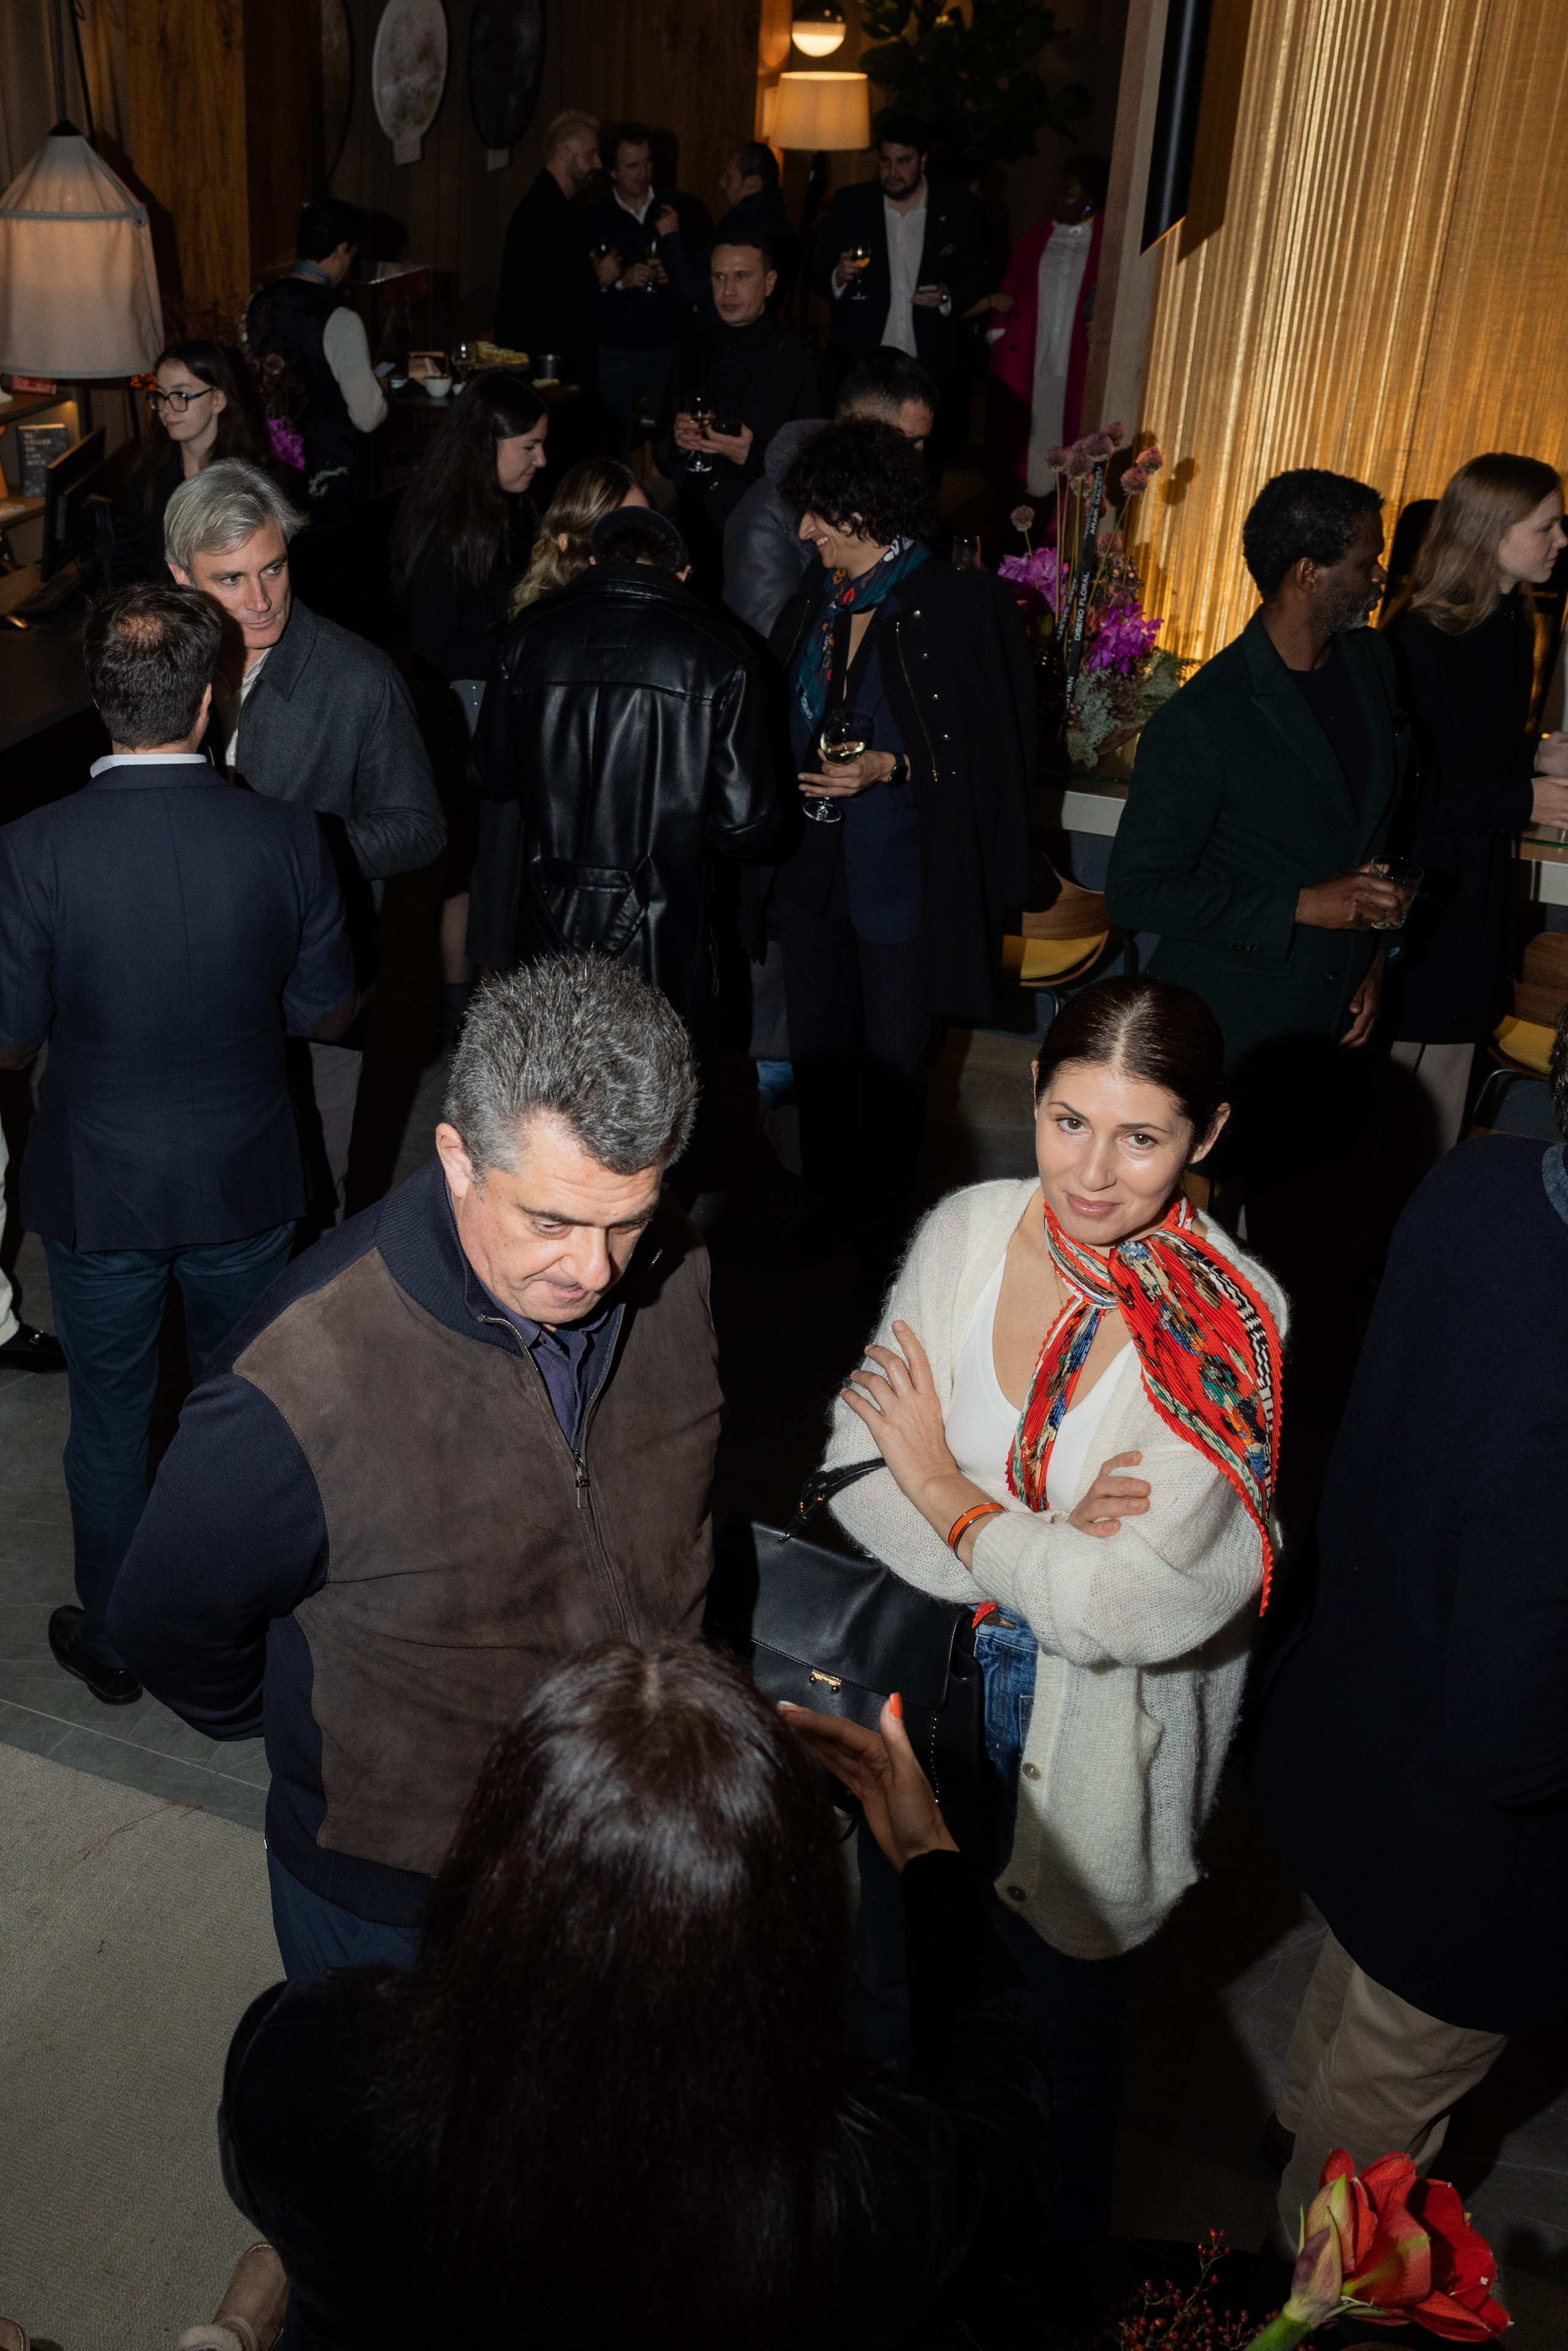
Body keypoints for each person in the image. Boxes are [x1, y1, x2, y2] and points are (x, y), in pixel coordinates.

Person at [108, 958, 723, 1979]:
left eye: (628, 1220)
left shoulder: (680, 1268)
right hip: (403, 1903)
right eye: (551, 1220)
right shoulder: (298, 1380)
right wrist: (339, 1741)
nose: (597, 1271)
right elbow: (166, 1625)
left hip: (638, 1841)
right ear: (457, 1157)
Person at [215, 1638, 1054, 2349]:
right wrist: (934, 1866)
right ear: (791, 1915)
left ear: (496, 1851)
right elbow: (1009, 2158)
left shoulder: (304, 2065)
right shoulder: (870, 2189)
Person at [819, 975, 1286, 2235]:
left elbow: (1120, 1613)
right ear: (1030, 1090)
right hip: (915, 1689)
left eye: (1141, 1137)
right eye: (1068, 1120)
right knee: (891, 1990)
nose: (1091, 1172)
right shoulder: (969, 1228)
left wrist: (945, 1481)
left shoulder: (1229, 1323)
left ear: (1207, 1136)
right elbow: (847, 1475)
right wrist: (1035, 1545)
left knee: (1051, 2063)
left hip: (1083, 1752)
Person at [0, 583, 355, 1707]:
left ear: (104, 701)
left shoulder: (31, 847)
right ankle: (227, 1627)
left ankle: (113, 1636)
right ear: (211, 701)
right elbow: (325, 1008)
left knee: (109, 1421)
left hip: (100, 1185)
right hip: (246, 1176)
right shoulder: (289, 834)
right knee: (239, 1407)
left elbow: (8, 1041)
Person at [1248, 1012, 1568, 2250]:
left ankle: (1281, 2124)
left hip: (1365, 1723)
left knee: (1349, 2005)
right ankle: (1297, 2293)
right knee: (1373, 2142)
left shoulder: (1477, 1179)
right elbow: (1515, 1736)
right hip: (1466, 1857)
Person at [1104, 470, 1409, 1421]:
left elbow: (1373, 829)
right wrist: (1297, 908)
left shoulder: (1370, 670)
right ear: (1309, 571)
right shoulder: (1209, 716)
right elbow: (1137, 888)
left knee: (1314, 1259)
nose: (1379, 574)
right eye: (1366, 558)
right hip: (1240, 1026)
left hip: (1335, 1017)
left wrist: (1369, 957)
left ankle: (1279, 1438)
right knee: (1231, 1266)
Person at [767, 418, 1033, 1273]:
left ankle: (881, 1236)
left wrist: (893, 764)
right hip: (812, 871)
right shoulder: (813, 602)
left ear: (863, 509)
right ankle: (825, 1204)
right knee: (818, 1052)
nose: (804, 532)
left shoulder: (955, 603)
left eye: (817, 515)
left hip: (903, 877)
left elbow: (999, 752)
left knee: (892, 1066)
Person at [165, 461, 443, 1222]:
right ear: (180, 575)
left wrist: (295, 851)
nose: (259, 601)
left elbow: (420, 828)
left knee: (311, 1195)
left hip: (310, 978)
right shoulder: (165, 668)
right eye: (230, 580)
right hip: (188, 972)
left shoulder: (357, 678)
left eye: (274, 568)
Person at [468, 507, 779, 1027]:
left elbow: (490, 774)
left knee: (551, 1087)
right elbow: (748, 829)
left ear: (594, 561)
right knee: (651, 1094)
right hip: (662, 936)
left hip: (546, 924)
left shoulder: (530, 635)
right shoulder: (720, 653)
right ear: (682, 573)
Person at [1381, 453, 1568, 1171]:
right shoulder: (1416, 639)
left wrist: (1534, 757)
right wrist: (1524, 795)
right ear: (1492, 532)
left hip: (1471, 886)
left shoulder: (1509, 620)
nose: (1560, 540)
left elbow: (1469, 748)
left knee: (1447, 1083)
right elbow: (1411, 793)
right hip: (1422, 895)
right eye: (1547, 525)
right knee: (1397, 1097)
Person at [390, 373, 550, 1043]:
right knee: (474, 866)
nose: (541, 460)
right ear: (489, 444)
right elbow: (432, 645)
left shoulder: (503, 507)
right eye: (530, 446)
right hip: (462, 716)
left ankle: (470, 1008)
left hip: (481, 705)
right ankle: (462, 1012)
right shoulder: (452, 526)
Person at [810, 116, 986, 480]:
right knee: (854, 462)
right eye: (885, 161)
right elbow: (817, 275)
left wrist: (948, 296)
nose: (892, 171)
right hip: (862, 359)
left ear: (923, 160)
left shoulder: (956, 207)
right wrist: (838, 277)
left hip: (928, 360)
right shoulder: (852, 203)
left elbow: (977, 273)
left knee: (921, 467)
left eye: (903, 161)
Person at [723, 347, 939, 638]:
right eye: (907, 444)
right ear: (859, 427)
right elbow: (776, 649)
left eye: (922, 444)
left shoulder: (884, 497)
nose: (918, 460)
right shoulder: (766, 516)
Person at [656, 237, 824, 592]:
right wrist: (679, 443)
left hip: (766, 540)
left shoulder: (802, 360)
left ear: (770, 282)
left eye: (741, 276)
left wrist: (752, 456)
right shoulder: (690, 353)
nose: (727, 290)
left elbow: (817, 472)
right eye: (718, 277)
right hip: (695, 534)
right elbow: (663, 455)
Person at [246, 198, 386, 505]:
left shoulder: (257, 304)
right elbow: (367, 416)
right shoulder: (341, 319)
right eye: (351, 256)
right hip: (330, 473)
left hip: (270, 463)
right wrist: (378, 388)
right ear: (340, 250)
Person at [984, 154, 1109, 496]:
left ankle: (1059, 517)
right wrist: (1000, 334)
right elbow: (1010, 286)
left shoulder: (1108, 241)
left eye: (1068, 192)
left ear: (1090, 199)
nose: (1058, 198)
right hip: (1030, 354)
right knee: (1027, 436)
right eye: (1058, 190)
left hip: (1076, 358)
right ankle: (1021, 506)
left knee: (1070, 434)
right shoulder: (1038, 235)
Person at [113, 341, 275, 583]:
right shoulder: (149, 474)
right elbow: (131, 556)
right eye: (161, 396)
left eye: (181, 395)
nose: (167, 409)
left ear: (218, 400)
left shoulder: (255, 479)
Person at [580, 123, 692, 456]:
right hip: (616, 349)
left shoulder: (678, 209)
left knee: (676, 440)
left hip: (668, 346)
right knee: (615, 441)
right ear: (612, 170)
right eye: (632, 165)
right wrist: (618, 280)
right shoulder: (594, 217)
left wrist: (675, 275)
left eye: (648, 162)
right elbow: (580, 289)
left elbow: (702, 276)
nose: (643, 173)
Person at [494, 111, 619, 391]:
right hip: (544, 369)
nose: (598, 164)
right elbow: (543, 298)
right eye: (592, 154)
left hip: (546, 363)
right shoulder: (544, 211)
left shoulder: (552, 204)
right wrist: (598, 278)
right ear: (565, 154)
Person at [660, 140, 802, 322]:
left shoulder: (745, 232)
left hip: (727, 334)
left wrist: (671, 236)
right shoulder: (777, 222)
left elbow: (692, 291)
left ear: (752, 184)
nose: (721, 183)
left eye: (729, 177)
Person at [507, 453, 646, 612]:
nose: (641, 546)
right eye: (619, 534)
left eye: (645, 526)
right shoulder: (548, 619)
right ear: (566, 543)